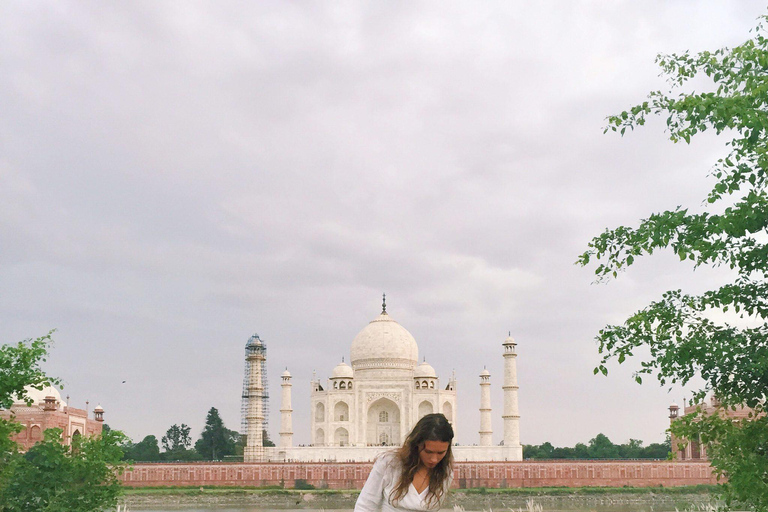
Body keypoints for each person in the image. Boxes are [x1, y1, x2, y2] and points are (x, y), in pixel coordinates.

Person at [354, 413, 454, 512]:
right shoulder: (390, 464)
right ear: (417, 444)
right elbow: (365, 506)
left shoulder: (445, 472)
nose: (434, 459)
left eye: (441, 453)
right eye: (428, 452)